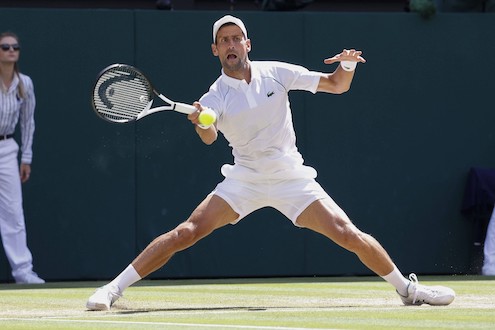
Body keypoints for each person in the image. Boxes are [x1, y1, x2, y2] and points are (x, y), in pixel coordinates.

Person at [86, 15, 455, 310]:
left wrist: (347, 65)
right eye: (224, 41)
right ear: (215, 50)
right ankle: (112, 290)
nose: (231, 45)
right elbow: (210, 137)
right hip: (244, 179)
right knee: (187, 233)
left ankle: (407, 290)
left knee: (347, 234)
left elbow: (336, 84)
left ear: (247, 44)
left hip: (289, 176)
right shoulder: (213, 96)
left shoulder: (276, 72)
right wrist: (201, 122)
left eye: (237, 38)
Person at [0, 32, 44, 284]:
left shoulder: (24, 83)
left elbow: (28, 123)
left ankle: (23, 272)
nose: (10, 50)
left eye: (15, 47)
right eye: (5, 47)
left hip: (7, 148)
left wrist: (25, 157)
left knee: (13, 212)